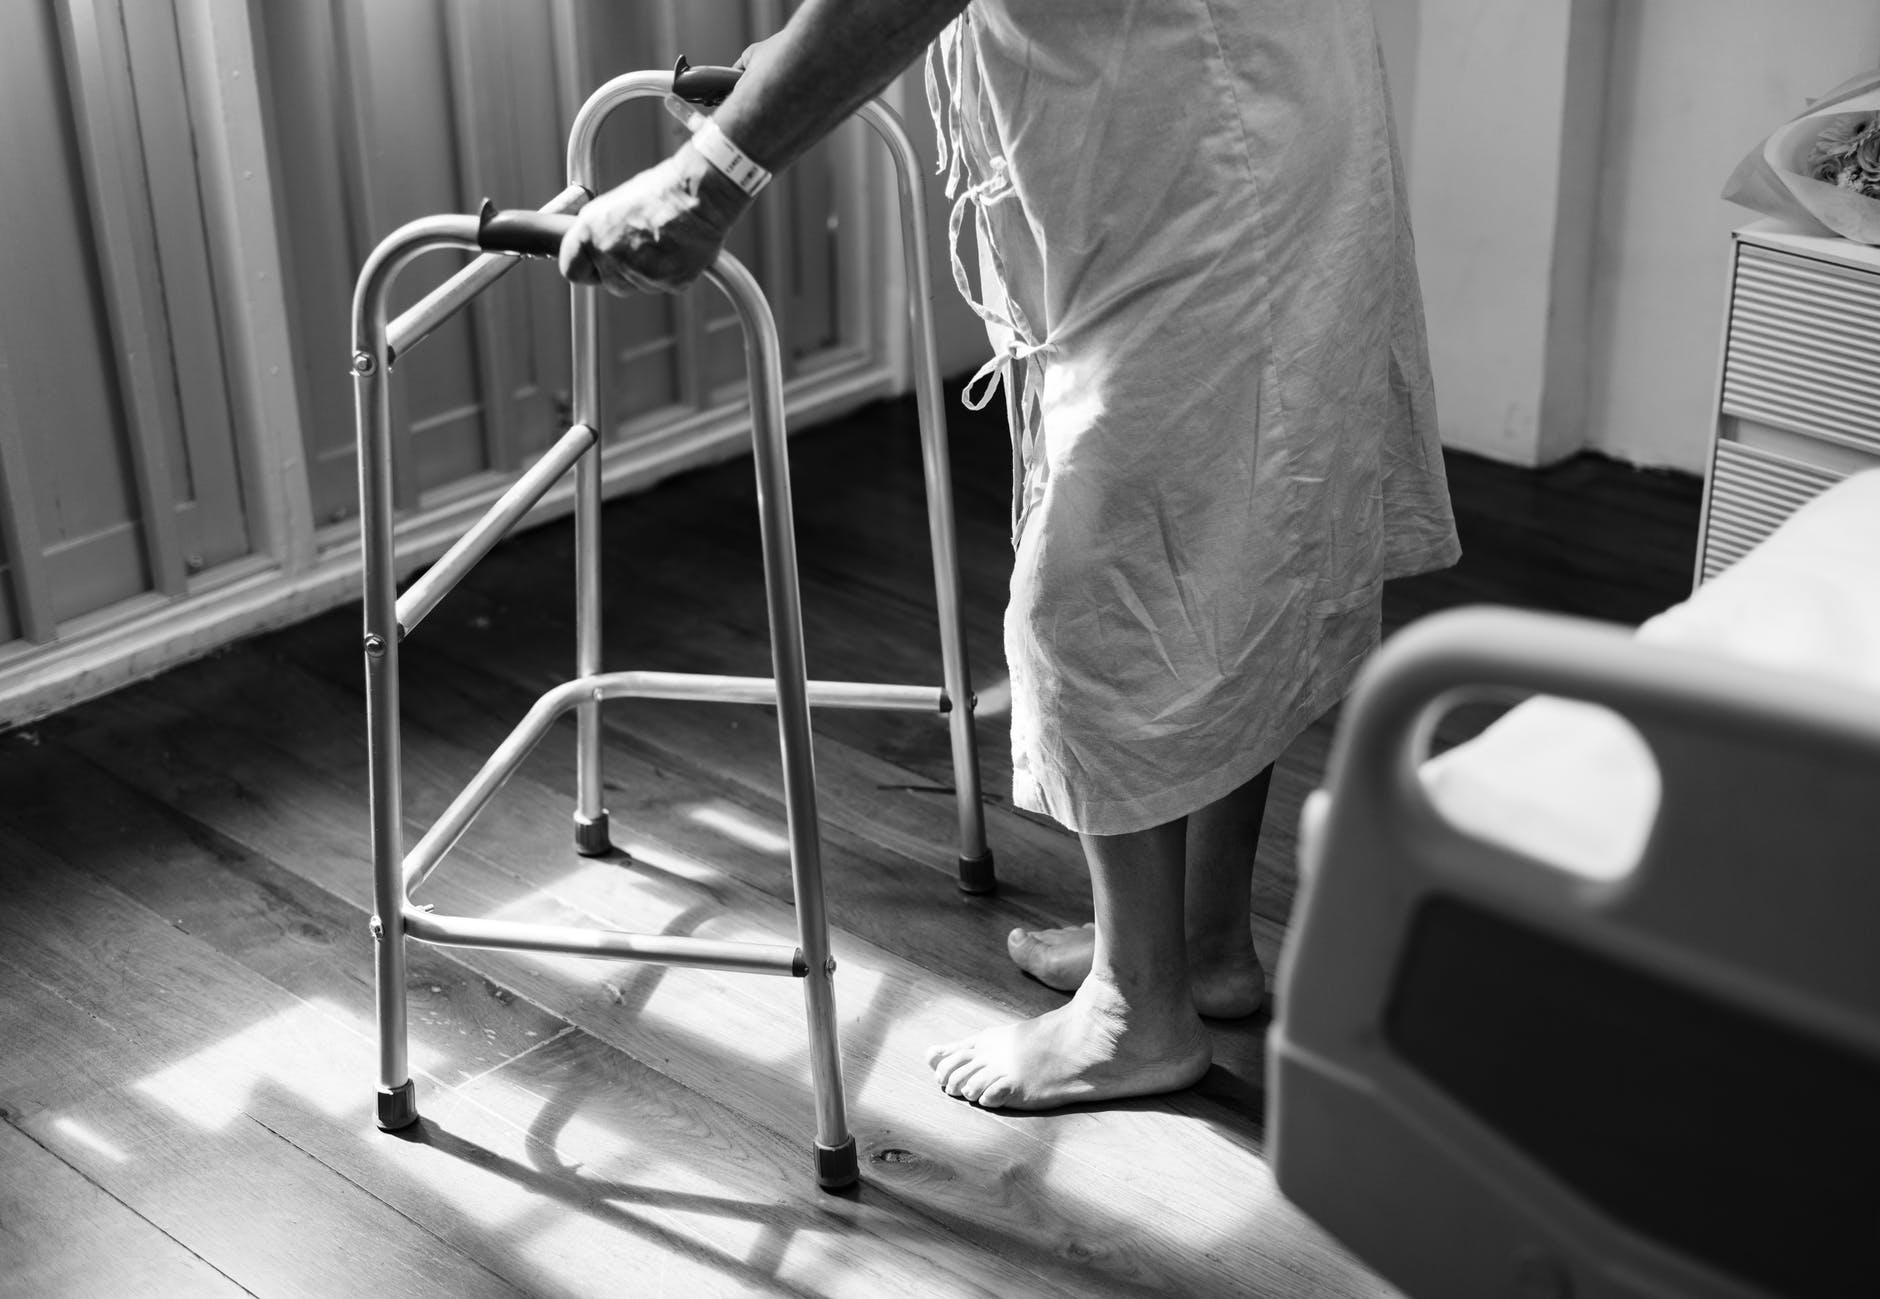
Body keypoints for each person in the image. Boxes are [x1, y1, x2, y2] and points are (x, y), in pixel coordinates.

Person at [559, 0, 1461, 1112]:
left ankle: (1138, 1014)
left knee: (1107, 581)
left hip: (1209, 168)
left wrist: (712, 171)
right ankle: (1196, 942)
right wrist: (783, 78)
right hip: (1225, 126)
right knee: (1234, 548)